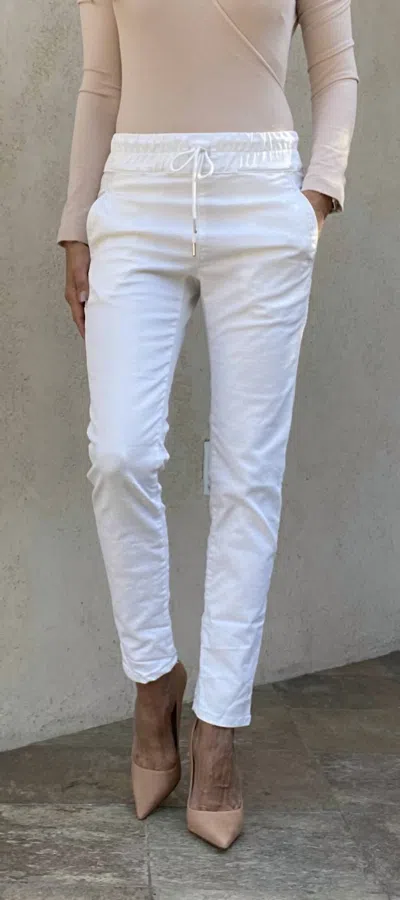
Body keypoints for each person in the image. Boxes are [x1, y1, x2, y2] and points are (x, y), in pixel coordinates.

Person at [58, 0, 358, 850]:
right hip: (137, 196)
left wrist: (316, 197)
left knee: (246, 477)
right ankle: (155, 680)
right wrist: (76, 223)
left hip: (261, 199)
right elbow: (101, 81)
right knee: (119, 453)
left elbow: (338, 71)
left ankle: (218, 727)